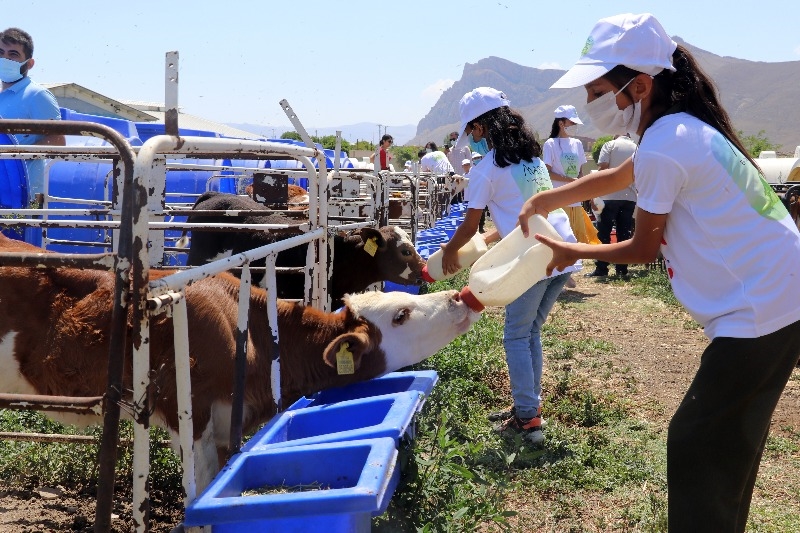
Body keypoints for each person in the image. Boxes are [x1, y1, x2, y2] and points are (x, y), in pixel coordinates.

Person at [518, 13, 800, 531]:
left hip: (763, 308)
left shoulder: (669, 140)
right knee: (724, 448)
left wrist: (572, 250)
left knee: (698, 446)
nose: (590, 105)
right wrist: (547, 195)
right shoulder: (675, 131)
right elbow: (622, 174)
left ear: (640, 85)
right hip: (780, 296)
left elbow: (643, 249)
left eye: (599, 91)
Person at [444, 87, 580, 444]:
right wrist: (489, 240)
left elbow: (470, 224)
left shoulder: (486, 168)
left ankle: (528, 420)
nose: (472, 138)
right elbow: (513, 215)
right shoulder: (531, 158)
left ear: (480, 127)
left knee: (516, 335)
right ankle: (527, 405)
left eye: (472, 131)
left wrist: (448, 253)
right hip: (561, 250)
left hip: (533, 258)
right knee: (530, 330)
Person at [0, 27, 65, 204]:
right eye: (1, 52)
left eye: (13, 54)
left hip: (24, 195)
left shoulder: (37, 95)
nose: (5, 58)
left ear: (29, 64)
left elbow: (58, 141)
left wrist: (14, 155)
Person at [586, 134, 638, 278]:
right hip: (630, 197)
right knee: (624, 233)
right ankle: (622, 269)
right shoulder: (637, 147)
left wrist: (593, 194)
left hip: (609, 196)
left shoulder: (610, 145)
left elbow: (603, 169)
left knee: (604, 233)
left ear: (616, 136)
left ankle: (602, 269)